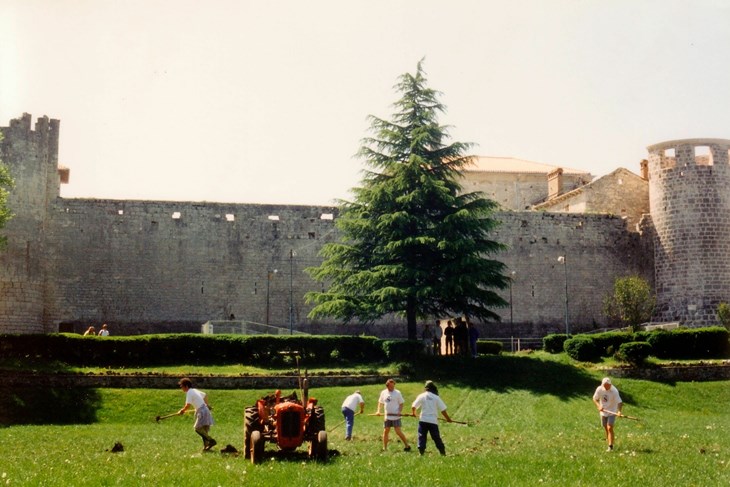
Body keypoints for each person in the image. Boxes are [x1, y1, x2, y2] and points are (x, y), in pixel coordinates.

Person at [411, 380, 452, 456]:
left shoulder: (422, 396)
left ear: (426, 388)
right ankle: (442, 453)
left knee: (422, 436)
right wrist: (448, 419)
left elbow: (414, 406)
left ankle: (421, 453)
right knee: (436, 437)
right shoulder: (436, 397)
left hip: (423, 420)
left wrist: (414, 413)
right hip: (433, 421)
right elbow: (443, 410)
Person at [178, 377, 217, 451]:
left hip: (202, 411)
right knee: (204, 431)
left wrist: (182, 411)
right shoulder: (194, 390)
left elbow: (187, 405)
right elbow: (205, 395)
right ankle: (206, 448)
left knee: (197, 428)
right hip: (205, 411)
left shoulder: (189, 392)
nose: (181, 388)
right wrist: (207, 405)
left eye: (182, 386)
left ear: (186, 386)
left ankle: (211, 440)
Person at [376, 378, 412, 452]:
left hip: (396, 416)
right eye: (391, 386)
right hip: (387, 416)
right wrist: (378, 411)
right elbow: (380, 402)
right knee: (386, 431)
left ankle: (407, 445)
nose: (392, 388)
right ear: (387, 386)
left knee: (398, 431)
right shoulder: (383, 393)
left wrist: (399, 411)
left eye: (393, 386)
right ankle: (384, 448)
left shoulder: (397, 393)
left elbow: (401, 403)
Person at [592, 377, 623, 452]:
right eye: (604, 385)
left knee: (610, 428)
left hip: (612, 411)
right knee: (605, 427)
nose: (606, 387)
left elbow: (619, 402)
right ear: (602, 384)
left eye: (607, 385)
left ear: (610, 384)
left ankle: (610, 446)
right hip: (603, 411)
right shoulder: (599, 389)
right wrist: (598, 406)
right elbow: (594, 398)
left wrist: (619, 411)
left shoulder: (614, 391)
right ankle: (608, 438)